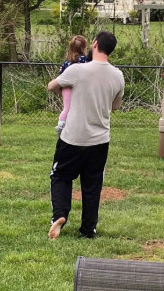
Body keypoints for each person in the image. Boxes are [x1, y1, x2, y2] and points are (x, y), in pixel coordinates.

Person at [46, 31, 125, 239]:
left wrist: (67, 92)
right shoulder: (118, 75)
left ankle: (59, 216)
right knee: (92, 184)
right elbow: (115, 106)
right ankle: (88, 229)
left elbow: (52, 86)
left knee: (60, 176)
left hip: (72, 137)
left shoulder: (77, 70)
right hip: (100, 140)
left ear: (95, 44)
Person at [55, 35, 89, 136]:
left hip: (66, 87)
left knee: (67, 107)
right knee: (81, 107)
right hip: (79, 87)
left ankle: (61, 125)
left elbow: (61, 75)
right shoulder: (85, 60)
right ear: (84, 47)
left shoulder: (67, 61)